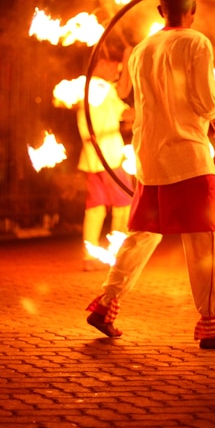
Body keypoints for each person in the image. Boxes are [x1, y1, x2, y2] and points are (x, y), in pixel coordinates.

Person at [85, 0, 215, 350]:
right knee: (209, 237)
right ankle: (212, 325)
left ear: (161, 10)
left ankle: (106, 303)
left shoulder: (143, 48)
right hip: (187, 154)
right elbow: (201, 99)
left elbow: (137, 99)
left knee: (143, 234)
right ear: (193, 10)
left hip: (149, 155)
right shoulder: (196, 41)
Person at [76, 59, 134, 271]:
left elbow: (126, 113)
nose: (116, 70)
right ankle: (118, 255)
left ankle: (89, 257)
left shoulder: (91, 88)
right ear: (99, 65)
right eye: (113, 66)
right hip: (109, 159)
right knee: (124, 205)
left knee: (95, 209)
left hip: (93, 160)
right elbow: (125, 92)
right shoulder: (100, 88)